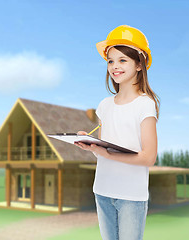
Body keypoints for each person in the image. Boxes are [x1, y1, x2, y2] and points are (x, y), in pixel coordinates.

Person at [74, 25, 160, 240]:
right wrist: (91, 144)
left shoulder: (145, 105)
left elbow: (148, 157)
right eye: (110, 61)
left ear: (139, 64)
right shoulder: (104, 105)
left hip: (131, 195)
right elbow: (104, 149)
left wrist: (107, 154)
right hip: (102, 190)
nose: (114, 66)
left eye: (123, 60)